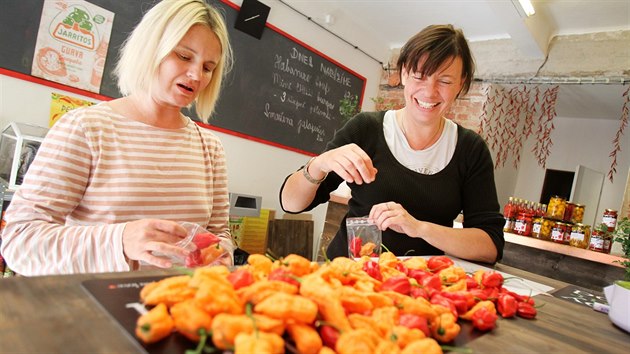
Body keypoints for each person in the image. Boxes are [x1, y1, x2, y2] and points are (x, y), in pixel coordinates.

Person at [0, 0, 235, 275]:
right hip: (95, 311)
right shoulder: (86, 129)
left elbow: (220, 236)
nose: (196, 75)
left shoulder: (210, 148)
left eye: (208, 67)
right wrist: (120, 241)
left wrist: (221, 253)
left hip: (179, 310)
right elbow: (20, 240)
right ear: (150, 49)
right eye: (183, 56)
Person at [280, 24, 504, 264]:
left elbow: (490, 245)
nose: (429, 92)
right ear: (404, 74)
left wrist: (418, 228)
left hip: (420, 286)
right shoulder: (366, 129)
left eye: (445, 81)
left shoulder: (470, 150)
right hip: (349, 277)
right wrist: (319, 164)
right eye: (419, 76)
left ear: (462, 83)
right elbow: (291, 204)